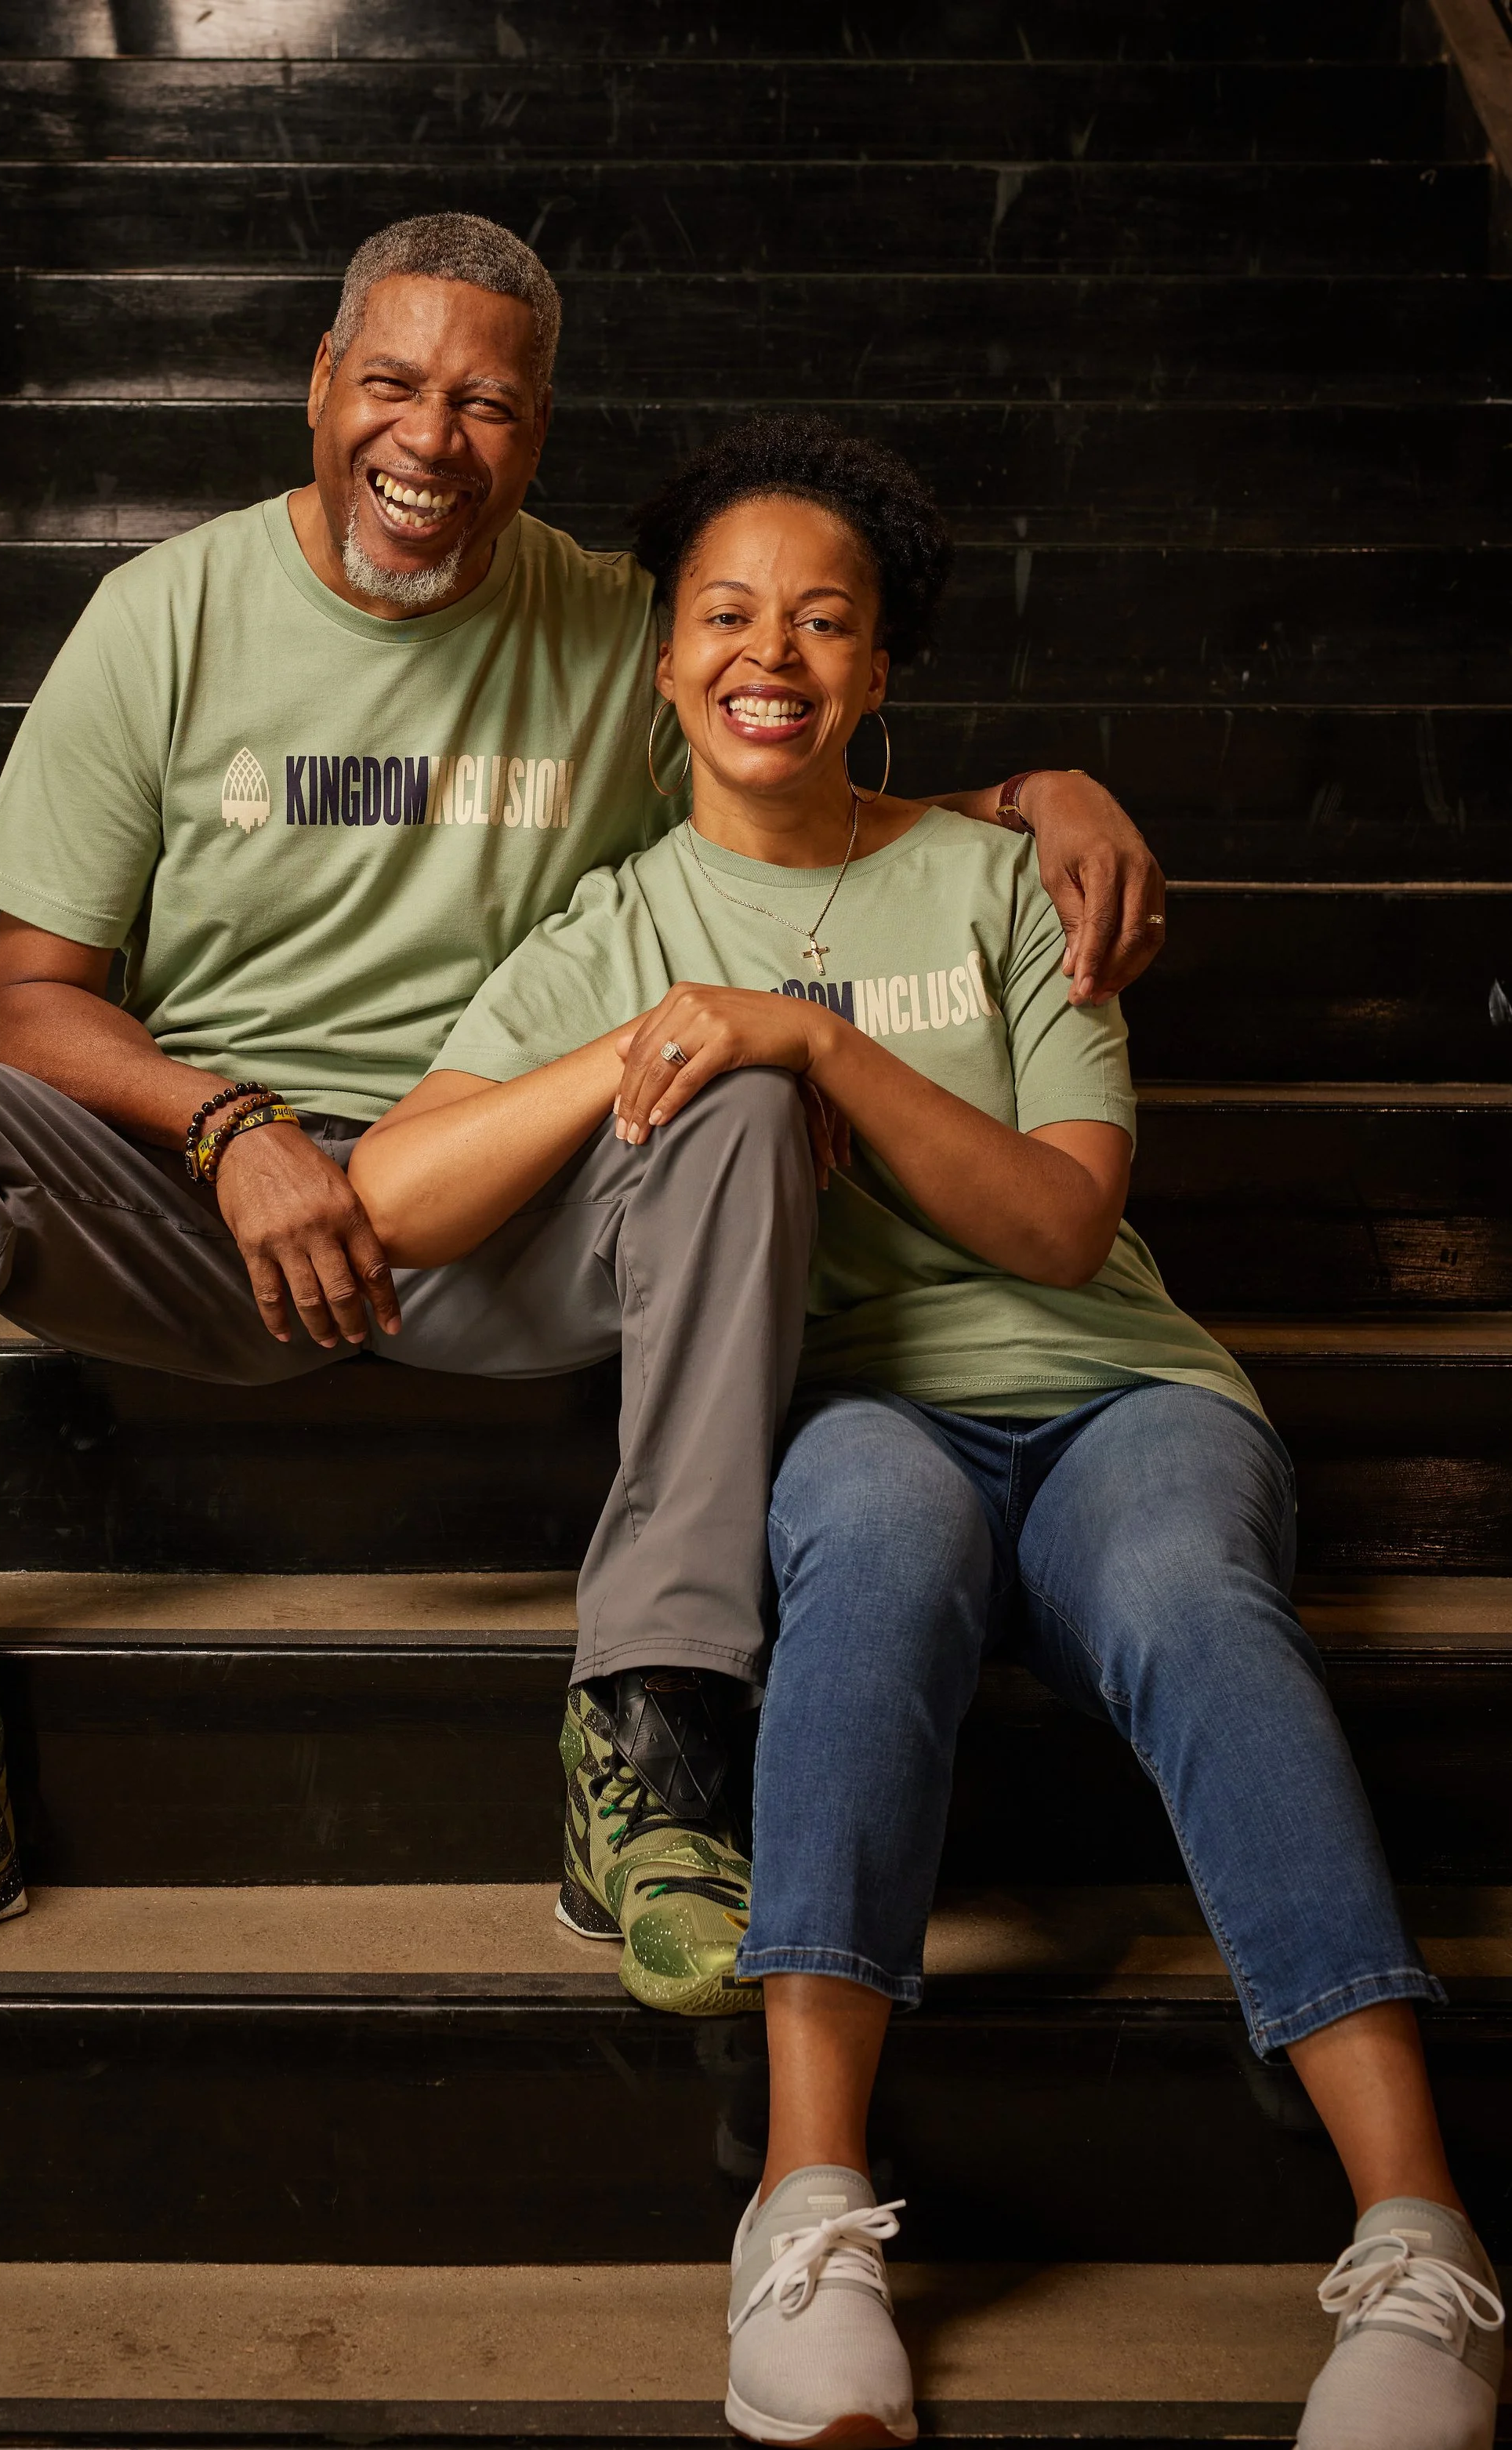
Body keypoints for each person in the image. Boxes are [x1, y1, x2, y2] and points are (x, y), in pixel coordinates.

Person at [0, 216, 1164, 2012]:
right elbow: (23, 999)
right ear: (319, 387)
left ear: (538, 439)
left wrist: (1034, 788)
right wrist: (230, 1129)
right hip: (204, 1210)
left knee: (746, 1103)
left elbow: (792, 737)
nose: (427, 440)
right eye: (390, 383)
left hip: (509, 1212)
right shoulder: (166, 615)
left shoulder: (618, 621)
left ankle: (654, 1741)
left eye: (485, 404)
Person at [345, 416, 1503, 2450]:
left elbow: (1061, 1219)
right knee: (862, 1551)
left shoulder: (1008, 873)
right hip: (859, 1409)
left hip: (1117, 1391)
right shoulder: (615, 921)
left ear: (881, 669)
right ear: (663, 662)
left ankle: (1419, 2242)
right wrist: (640, 1041)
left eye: (823, 616)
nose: (768, 647)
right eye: (724, 611)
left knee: (1188, 1594)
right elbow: (396, 1192)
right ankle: (804, 2214)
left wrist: (803, 1033)